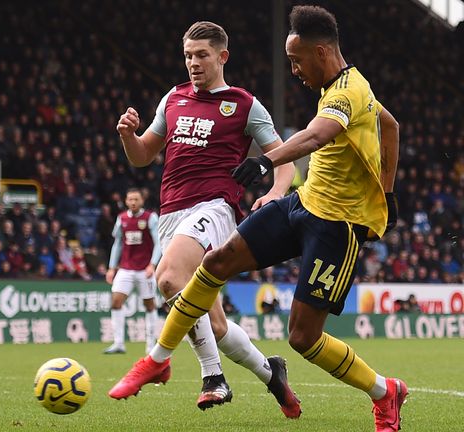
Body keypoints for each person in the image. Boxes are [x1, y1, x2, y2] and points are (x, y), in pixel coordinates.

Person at [110, 6, 405, 431]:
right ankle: (160, 362)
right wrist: (390, 193)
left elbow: (316, 135)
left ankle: (384, 391)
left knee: (303, 337)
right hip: (302, 205)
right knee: (214, 265)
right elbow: (390, 125)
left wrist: (267, 164)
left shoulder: (347, 91)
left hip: (339, 226)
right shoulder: (342, 88)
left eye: (297, 61)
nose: (294, 70)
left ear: (321, 52)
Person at [108, 21, 300, 416]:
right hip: (171, 214)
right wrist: (129, 135)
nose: (193, 64)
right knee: (213, 324)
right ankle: (272, 374)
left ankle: (211, 377)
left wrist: (275, 192)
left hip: (215, 208)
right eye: (188, 56)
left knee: (167, 278)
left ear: (222, 57)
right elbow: (144, 154)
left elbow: (284, 158)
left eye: (201, 56)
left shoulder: (243, 104)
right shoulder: (173, 99)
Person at [104, 188, 161, 355]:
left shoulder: (150, 218)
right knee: (116, 302)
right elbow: (118, 243)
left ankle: (151, 346)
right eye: (130, 199)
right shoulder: (121, 219)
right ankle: (119, 343)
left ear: (142, 201)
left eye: (136, 199)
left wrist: (153, 264)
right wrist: (111, 267)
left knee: (149, 305)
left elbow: (158, 242)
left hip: (145, 269)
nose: (133, 202)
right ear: (126, 201)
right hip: (126, 268)